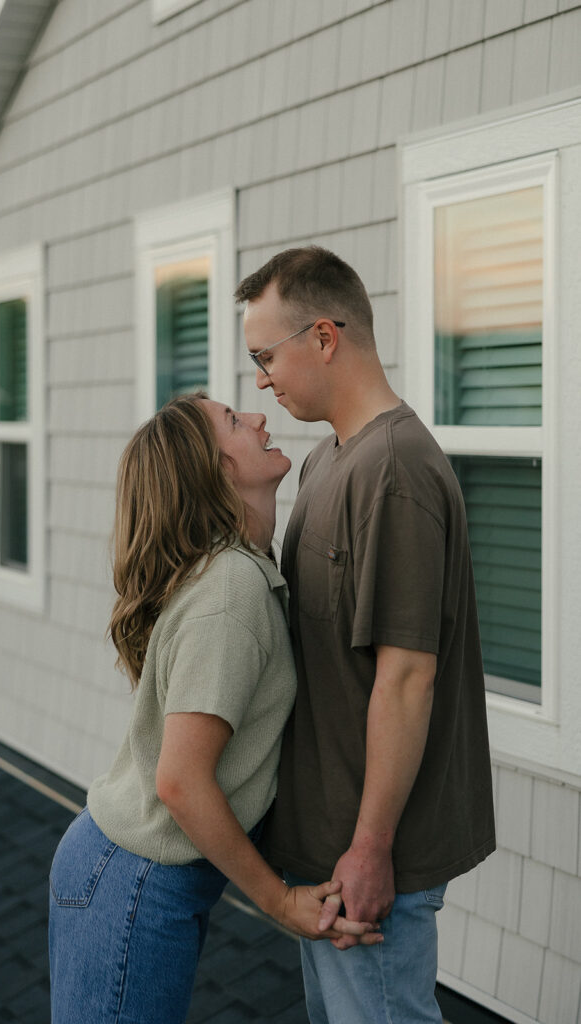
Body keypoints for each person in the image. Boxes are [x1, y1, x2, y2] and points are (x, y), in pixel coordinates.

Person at [48, 393, 380, 1024]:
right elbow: (180, 780)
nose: (258, 417)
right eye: (234, 420)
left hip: (134, 877)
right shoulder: (230, 590)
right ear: (216, 470)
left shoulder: (243, 569)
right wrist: (281, 904)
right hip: (132, 881)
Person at [236, 246, 496, 1024]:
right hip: (324, 847)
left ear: (323, 337)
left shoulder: (395, 470)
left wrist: (371, 845)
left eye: (264, 355)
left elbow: (406, 675)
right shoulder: (324, 463)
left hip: (371, 855)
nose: (259, 380)